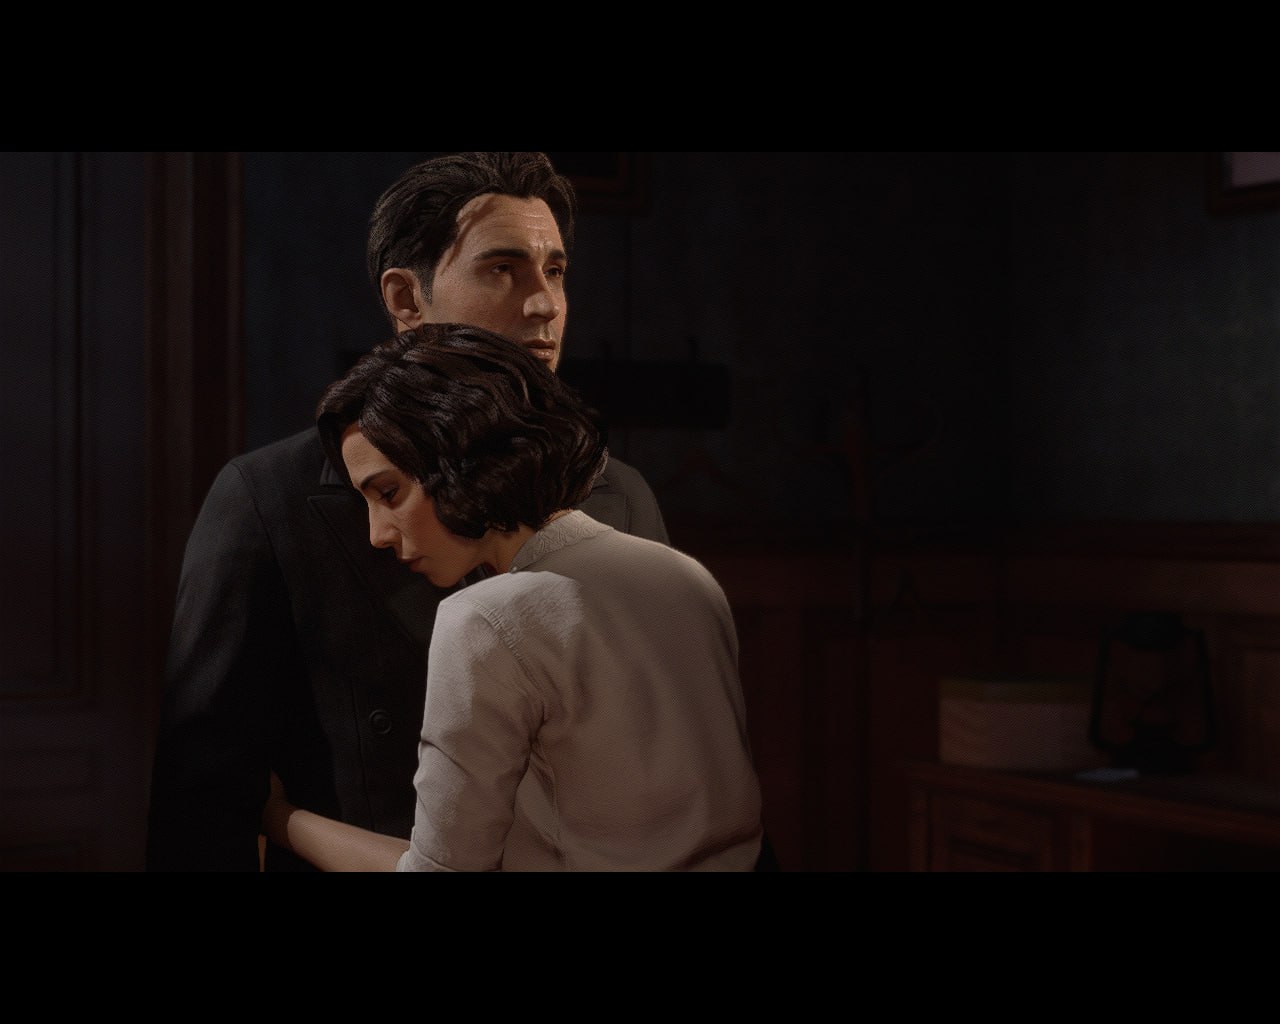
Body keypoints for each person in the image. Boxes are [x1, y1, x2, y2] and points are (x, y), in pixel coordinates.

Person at [145, 152, 670, 871]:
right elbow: (201, 800)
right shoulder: (267, 498)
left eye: (554, 271)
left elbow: (671, 764)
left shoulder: (618, 495)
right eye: (503, 269)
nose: (544, 305)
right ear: (405, 299)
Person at [261, 323, 764, 871]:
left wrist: (280, 818)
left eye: (388, 493)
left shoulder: (484, 618)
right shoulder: (687, 577)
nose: (377, 533)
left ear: (457, 457)